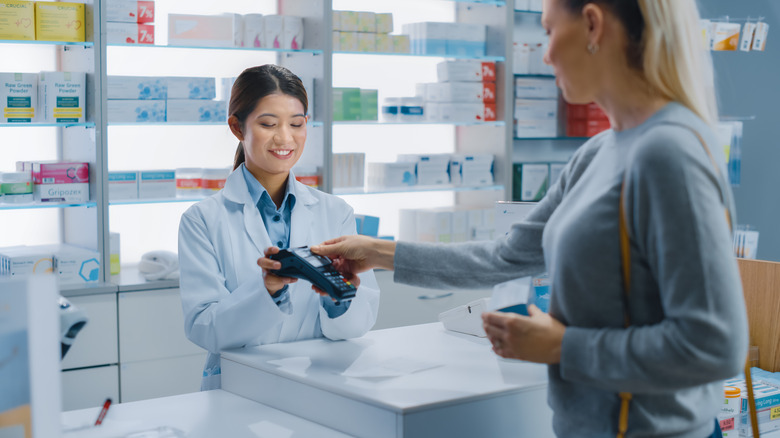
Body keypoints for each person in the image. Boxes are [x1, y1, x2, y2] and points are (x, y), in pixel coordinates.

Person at [310, 0, 748, 436]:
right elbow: (504, 256)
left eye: (549, 32)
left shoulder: (670, 153)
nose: (545, 53)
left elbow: (714, 345)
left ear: (593, 25)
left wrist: (562, 346)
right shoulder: (599, 152)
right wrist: (376, 253)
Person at [178, 65, 380, 391]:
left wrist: (338, 294)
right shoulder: (202, 220)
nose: (285, 138)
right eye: (268, 124)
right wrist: (267, 291)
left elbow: (359, 324)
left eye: (297, 124)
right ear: (236, 127)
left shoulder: (336, 211)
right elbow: (204, 328)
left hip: (319, 385)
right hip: (239, 389)